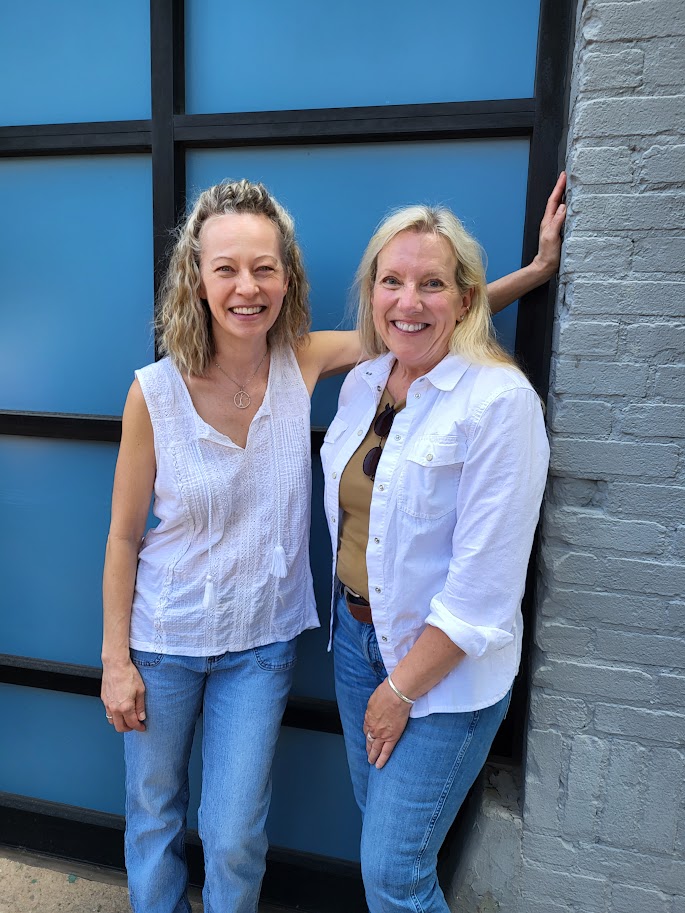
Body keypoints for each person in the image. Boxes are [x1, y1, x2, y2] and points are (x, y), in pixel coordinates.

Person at [101, 175, 565, 913]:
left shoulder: (303, 361)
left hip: (260, 645)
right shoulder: (153, 393)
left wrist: (534, 273)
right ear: (196, 278)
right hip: (164, 637)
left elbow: (418, 322)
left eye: (264, 267)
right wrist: (115, 660)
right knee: (154, 814)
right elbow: (125, 536)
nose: (247, 287)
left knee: (232, 834)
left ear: (287, 277)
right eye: (226, 269)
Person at [320, 204, 551, 913]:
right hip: (355, 642)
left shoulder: (499, 403)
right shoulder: (364, 380)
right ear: (371, 292)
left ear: (465, 298)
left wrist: (399, 692)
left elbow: (484, 591)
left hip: (440, 673)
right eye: (391, 281)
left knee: (394, 874)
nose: (408, 301)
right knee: (386, 842)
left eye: (432, 284)